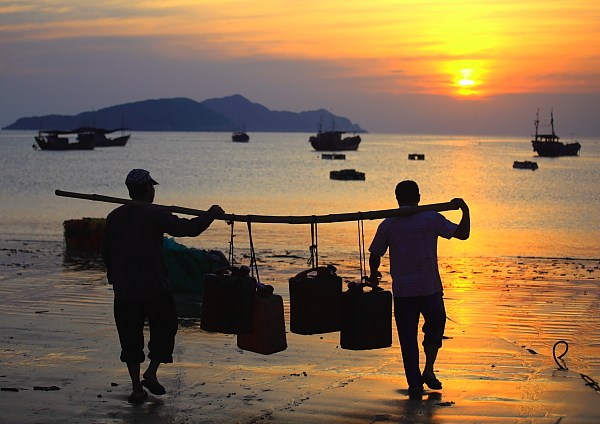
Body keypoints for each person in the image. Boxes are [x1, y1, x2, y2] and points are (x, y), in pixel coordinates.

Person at [101, 169, 224, 403]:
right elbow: (188, 229)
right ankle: (152, 371)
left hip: (125, 289)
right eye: (153, 187)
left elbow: (105, 251)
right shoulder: (155, 213)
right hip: (154, 287)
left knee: (130, 338)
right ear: (148, 189)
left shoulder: (115, 216)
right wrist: (212, 214)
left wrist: (114, 275)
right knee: (166, 328)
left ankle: (138, 388)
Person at [368, 180, 469, 396]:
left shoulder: (389, 223)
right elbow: (463, 233)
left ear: (397, 199)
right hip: (429, 289)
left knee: (408, 338)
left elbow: (375, 254)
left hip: (404, 292)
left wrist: (373, 274)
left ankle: (415, 382)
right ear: (419, 197)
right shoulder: (431, 218)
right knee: (435, 327)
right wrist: (465, 211)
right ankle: (429, 369)